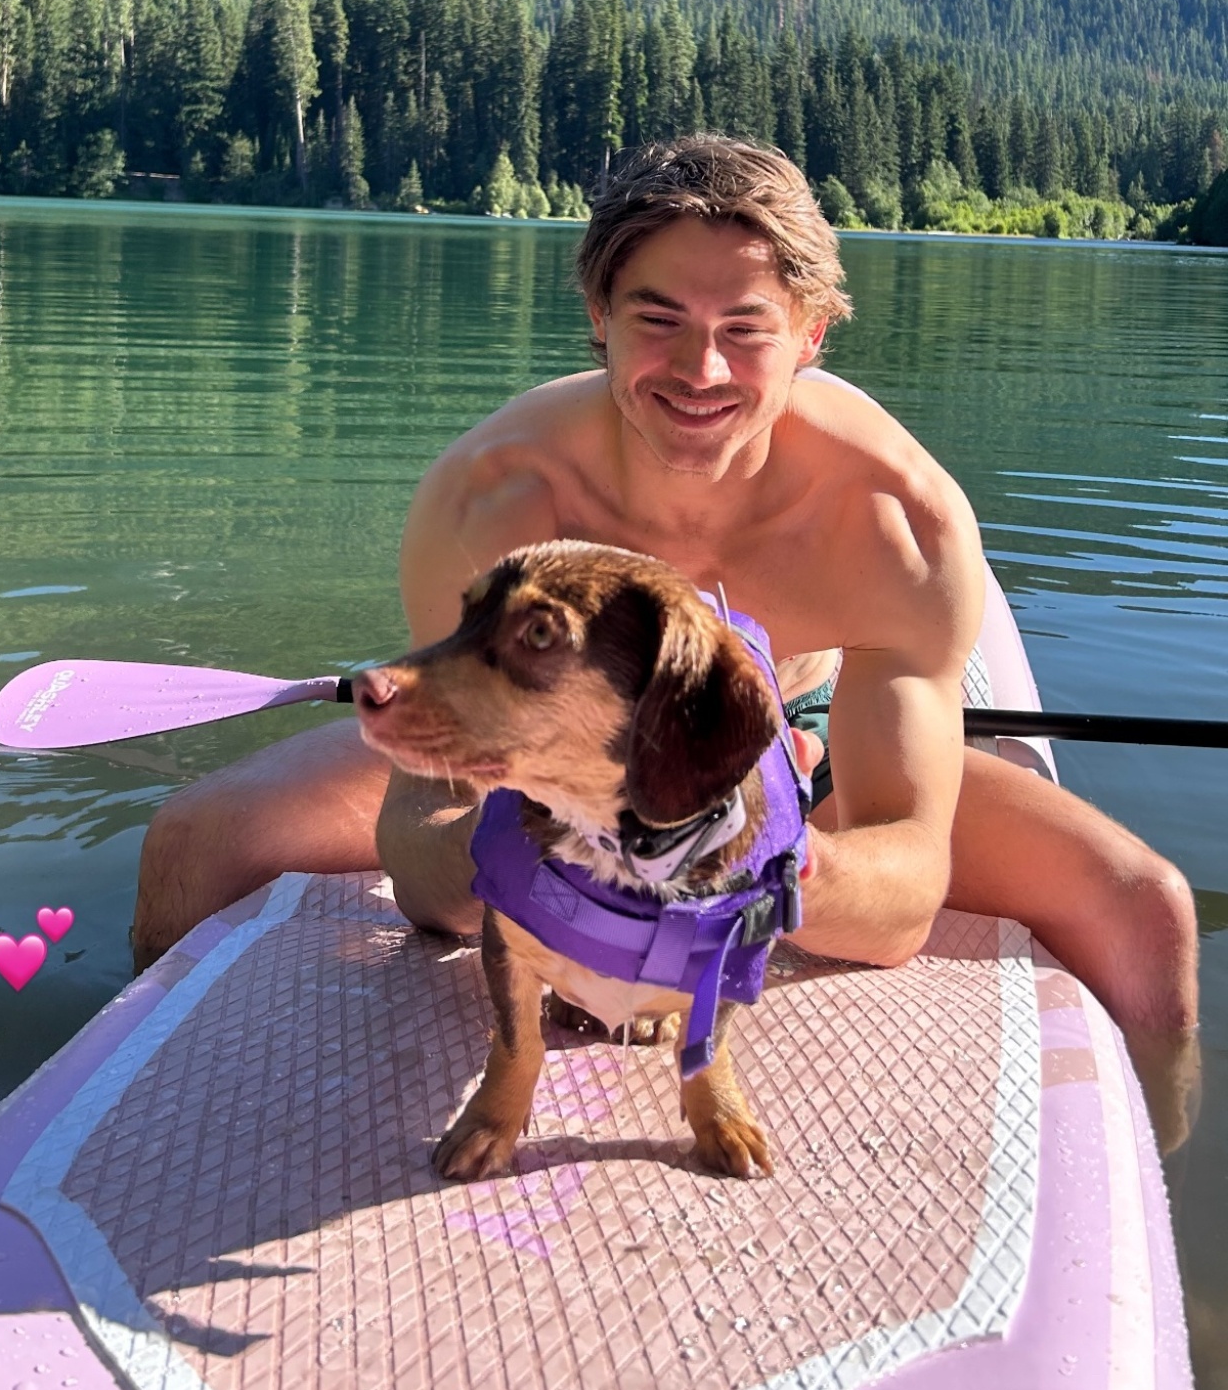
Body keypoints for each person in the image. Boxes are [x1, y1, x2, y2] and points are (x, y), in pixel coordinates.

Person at [132, 136, 1197, 1138]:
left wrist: (747, 854)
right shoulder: (493, 500)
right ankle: (143, 1130)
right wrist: (541, 858)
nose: (702, 370)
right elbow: (426, 876)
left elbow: (900, 907)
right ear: (598, 315)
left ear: (811, 336)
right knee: (198, 841)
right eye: (658, 318)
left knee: (1147, 910)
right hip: (545, 748)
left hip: (793, 734)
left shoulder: (895, 527)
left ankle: (1165, 1188)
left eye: (746, 328)